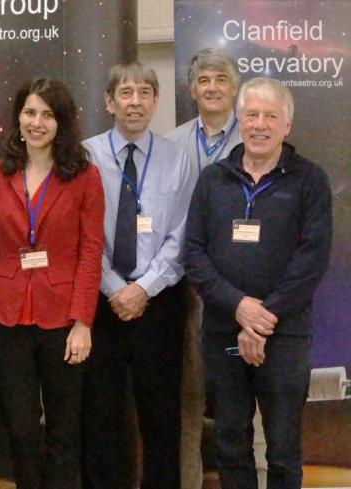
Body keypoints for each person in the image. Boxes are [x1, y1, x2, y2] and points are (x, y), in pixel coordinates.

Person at [185, 77, 332, 489]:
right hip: (223, 334)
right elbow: (194, 254)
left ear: (287, 125)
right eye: (252, 114)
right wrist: (239, 307)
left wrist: (262, 318)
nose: (260, 124)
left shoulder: (310, 181)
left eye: (271, 116)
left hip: (284, 335)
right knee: (231, 444)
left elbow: (312, 259)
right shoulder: (213, 180)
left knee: (284, 449)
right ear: (239, 120)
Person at [0, 78, 104, 489]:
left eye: (48, 115)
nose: (38, 122)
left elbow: (90, 251)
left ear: (61, 122)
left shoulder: (85, 176)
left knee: (65, 431)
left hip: (64, 319)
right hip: (9, 317)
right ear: (18, 118)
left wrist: (83, 320)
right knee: (20, 429)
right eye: (30, 113)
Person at [82, 61, 197, 489]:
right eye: (126, 93)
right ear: (109, 102)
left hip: (160, 301)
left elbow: (184, 234)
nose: (135, 102)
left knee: (161, 415)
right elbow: (80, 235)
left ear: (156, 101)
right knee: (102, 414)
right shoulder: (84, 155)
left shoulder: (177, 159)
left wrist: (143, 289)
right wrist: (115, 288)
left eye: (144, 92)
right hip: (99, 300)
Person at [166, 47, 242, 489]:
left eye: (220, 80)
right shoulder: (172, 143)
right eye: (203, 80)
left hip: (239, 294)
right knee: (187, 405)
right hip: (187, 292)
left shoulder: (254, 136)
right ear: (192, 89)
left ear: (234, 88)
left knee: (244, 401)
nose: (211, 88)